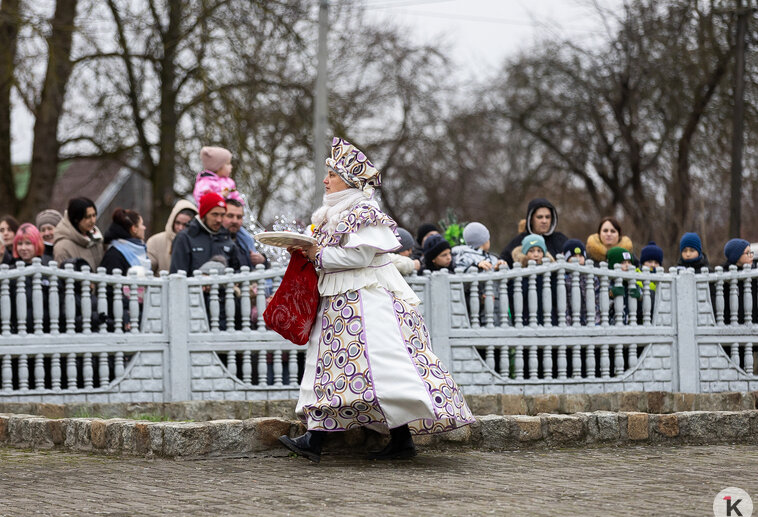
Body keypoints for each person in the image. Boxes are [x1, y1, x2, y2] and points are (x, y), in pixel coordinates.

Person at [278, 137, 475, 463]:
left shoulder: (362, 210)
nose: (325, 180)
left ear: (351, 181)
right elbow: (333, 252)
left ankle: (388, 440)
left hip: (366, 300)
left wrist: (319, 254)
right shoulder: (332, 212)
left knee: (380, 366)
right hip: (342, 299)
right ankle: (318, 437)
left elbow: (363, 254)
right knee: (333, 366)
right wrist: (308, 251)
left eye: (332, 174)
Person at [169, 192, 238, 275]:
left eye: (222, 215)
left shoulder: (226, 238)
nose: (219, 220)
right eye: (214, 214)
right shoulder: (185, 237)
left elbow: (237, 271)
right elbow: (177, 276)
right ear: (203, 215)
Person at [499, 198, 567, 267]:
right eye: (539, 217)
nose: (544, 221)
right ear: (531, 219)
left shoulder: (560, 239)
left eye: (547, 217)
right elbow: (502, 261)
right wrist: (500, 263)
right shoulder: (519, 241)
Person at [146, 199, 197, 275]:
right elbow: (147, 270)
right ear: (172, 221)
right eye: (177, 223)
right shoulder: (155, 241)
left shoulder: (199, 241)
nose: (180, 228)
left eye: (186, 225)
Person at [53, 197, 104, 269]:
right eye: (88, 217)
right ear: (76, 219)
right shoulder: (62, 247)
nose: (93, 220)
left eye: (94, 215)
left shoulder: (97, 238)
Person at [100, 208, 151, 276]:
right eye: (142, 224)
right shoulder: (114, 255)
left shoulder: (139, 250)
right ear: (134, 229)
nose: (144, 228)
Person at [222, 198, 267, 271]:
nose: (235, 221)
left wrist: (263, 261)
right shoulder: (214, 241)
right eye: (230, 216)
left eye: (239, 217)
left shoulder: (247, 242)